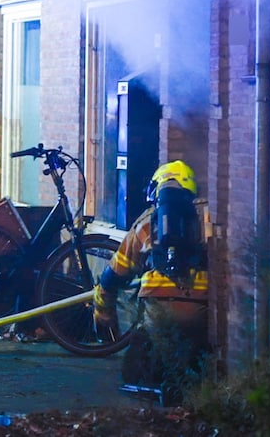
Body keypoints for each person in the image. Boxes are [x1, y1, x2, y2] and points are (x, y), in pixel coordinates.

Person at [93, 160, 209, 402]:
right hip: (200, 310)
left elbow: (114, 274)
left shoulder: (146, 221)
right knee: (198, 355)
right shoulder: (207, 216)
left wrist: (102, 311)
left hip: (158, 312)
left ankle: (156, 389)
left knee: (136, 369)